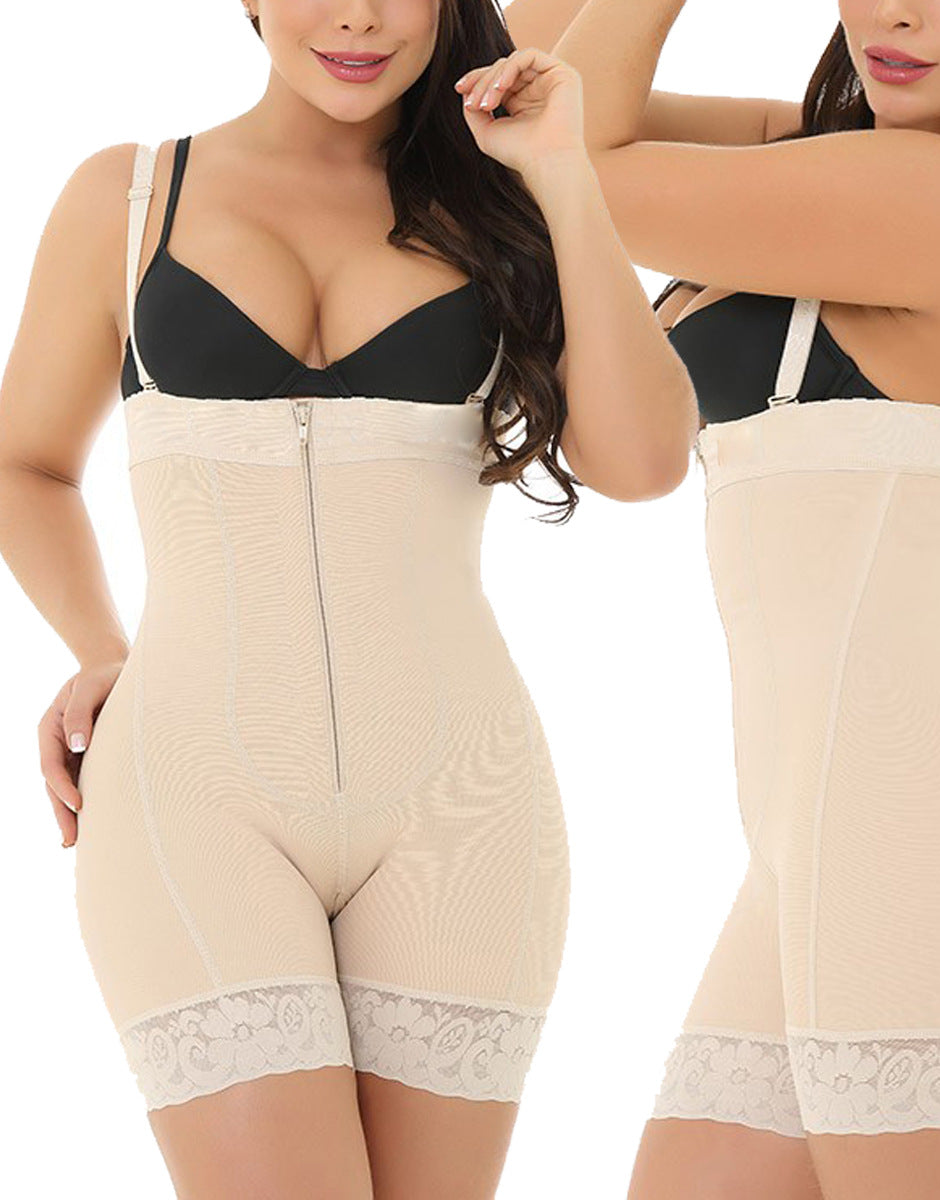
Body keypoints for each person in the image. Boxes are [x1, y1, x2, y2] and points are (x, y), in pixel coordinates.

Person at [0, 3, 696, 1197]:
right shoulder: (127, 197)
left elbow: (642, 464)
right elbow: (25, 464)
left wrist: (566, 177)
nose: (361, 16)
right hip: (191, 790)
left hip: (462, 803)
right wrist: (101, 645)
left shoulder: (506, 202)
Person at [507, 0, 940, 1195]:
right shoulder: (830, 162)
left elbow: (560, 156)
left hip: (924, 813)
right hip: (842, 820)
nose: (894, 13)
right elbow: (524, 76)